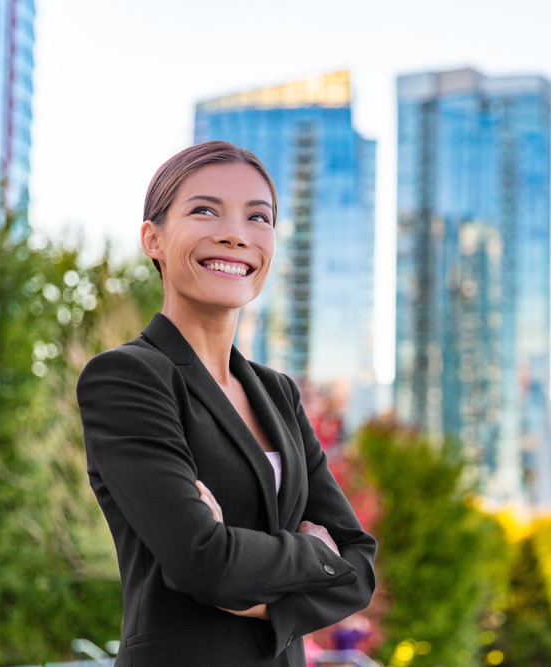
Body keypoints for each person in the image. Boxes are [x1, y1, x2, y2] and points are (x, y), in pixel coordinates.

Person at [77, 141, 377, 666]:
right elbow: (202, 561)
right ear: (154, 239)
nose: (235, 233)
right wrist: (315, 554)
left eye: (257, 217)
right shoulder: (128, 378)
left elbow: (360, 565)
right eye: (205, 210)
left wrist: (255, 597)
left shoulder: (278, 393)